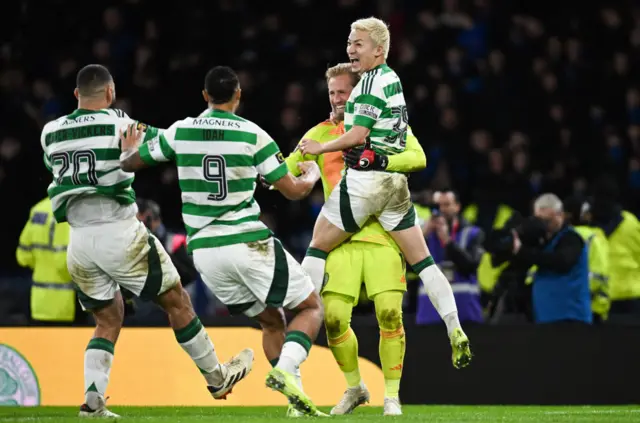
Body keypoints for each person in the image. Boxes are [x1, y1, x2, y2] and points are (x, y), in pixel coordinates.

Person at [40, 64, 253, 418]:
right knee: (177, 301)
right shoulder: (121, 124)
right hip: (118, 229)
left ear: (77, 94)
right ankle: (218, 377)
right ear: (109, 94)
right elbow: (170, 143)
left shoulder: (51, 132)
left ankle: (94, 402)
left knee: (107, 320)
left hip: (77, 241)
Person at [119, 66, 327, 417]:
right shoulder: (252, 134)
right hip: (247, 242)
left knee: (272, 321)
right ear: (238, 95)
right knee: (310, 308)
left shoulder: (182, 131)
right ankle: (284, 370)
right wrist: (312, 175)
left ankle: (297, 404)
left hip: (205, 255)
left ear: (205, 96)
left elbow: (132, 162)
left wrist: (128, 149)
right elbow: (292, 192)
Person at [297, 17, 472, 366]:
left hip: (367, 183)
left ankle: (299, 326)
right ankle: (454, 326)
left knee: (317, 245)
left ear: (379, 50)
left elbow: (358, 135)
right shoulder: (392, 79)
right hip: (395, 186)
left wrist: (320, 149)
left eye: (358, 43)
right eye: (349, 41)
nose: (350, 48)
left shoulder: (367, 87)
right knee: (423, 262)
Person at [281, 63, 425, 416]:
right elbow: (284, 168)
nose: (336, 98)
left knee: (390, 314)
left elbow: (418, 156)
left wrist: (384, 160)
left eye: (343, 91)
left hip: (381, 237)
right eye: (332, 92)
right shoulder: (318, 133)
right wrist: (269, 173)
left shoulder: (387, 129)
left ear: (361, 93)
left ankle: (391, 395)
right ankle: (355, 387)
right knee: (332, 320)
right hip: (340, 242)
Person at [16, 197, 84, 325]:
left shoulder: (38, 210)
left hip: (39, 302)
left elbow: (23, 257)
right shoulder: (69, 213)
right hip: (65, 305)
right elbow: (64, 263)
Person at [419, 191, 484, 325]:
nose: (442, 209)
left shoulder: (473, 233)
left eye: (447, 204)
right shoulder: (424, 236)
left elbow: (470, 265)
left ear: (457, 207)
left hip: (464, 312)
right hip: (430, 314)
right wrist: (422, 236)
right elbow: (406, 267)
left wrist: (448, 242)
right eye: (438, 205)